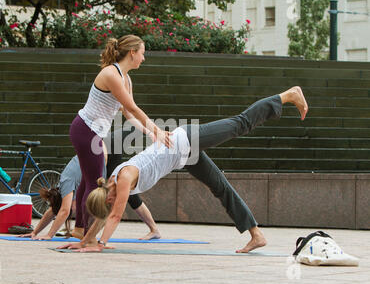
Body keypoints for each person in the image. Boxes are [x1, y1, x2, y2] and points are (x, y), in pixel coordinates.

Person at [57, 86, 308, 253]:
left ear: (109, 197)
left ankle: (286, 96)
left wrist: (98, 244)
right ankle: (256, 234)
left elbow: (112, 216)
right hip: (183, 157)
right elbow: (106, 213)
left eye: (110, 202)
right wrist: (84, 241)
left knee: (239, 124)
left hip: (185, 140)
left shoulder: (122, 179)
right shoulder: (110, 185)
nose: (113, 204)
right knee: (220, 186)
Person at [69, 34, 172, 235]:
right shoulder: (111, 75)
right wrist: (157, 130)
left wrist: (150, 133)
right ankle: (87, 233)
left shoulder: (126, 79)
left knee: (87, 180)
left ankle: (80, 229)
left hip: (91, 132)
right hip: (85, 130)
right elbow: (132, 107)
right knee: (95, 182)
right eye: (142, 53)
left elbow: (127, 114)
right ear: (132, 53)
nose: (144, 58)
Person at [18, 136, 161, 241]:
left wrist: (49, 235)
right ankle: (154, 230)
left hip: (107, 152)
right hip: (101, 149)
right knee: (123, 194)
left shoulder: (66, 183)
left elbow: (63, 211)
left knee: (121, 194)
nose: (73, 212)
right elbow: (54, 210)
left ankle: (154, 230)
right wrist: (35, 232)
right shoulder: (62, 191)